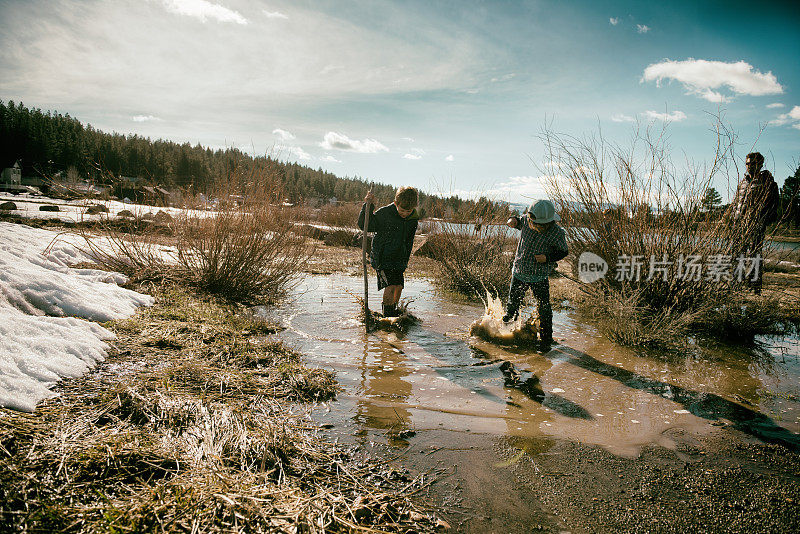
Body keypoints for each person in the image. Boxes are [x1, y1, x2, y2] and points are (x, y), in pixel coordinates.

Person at [503, 199, 568, 349]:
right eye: (535, 223)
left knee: (544, 308)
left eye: (541, 225)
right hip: (519, 272)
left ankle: (546, 342)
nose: (537, 226)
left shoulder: (557, 232)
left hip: (539, 276)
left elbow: (563, 251)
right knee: (512, 307)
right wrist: (512, 220)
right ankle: (505, 337)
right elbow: (517, 220)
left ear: (549, 222)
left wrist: (548, 258)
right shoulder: (526, 220)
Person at [358, 186, 420, 317]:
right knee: (390, 286)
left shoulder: (412, 219)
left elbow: (409, 241)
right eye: (402, 210)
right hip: (382, 258)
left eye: (408, 211)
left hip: (399, 258)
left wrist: (405, 260)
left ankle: (395, 312)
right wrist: (368, 205)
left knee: (398, 286)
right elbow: (365, 224)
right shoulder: (385, 213)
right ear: (396, 203)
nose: (405, 213)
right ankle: (387, 316)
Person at [734, 152, 779, 292]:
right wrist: (733, 219)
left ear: (760, 164)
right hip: (738, 225)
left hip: (755, 225)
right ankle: (737, 284)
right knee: (737, 254)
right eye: (747, 163)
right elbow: (736, 203)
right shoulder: (743, 182)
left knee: (754, 255)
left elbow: (773, 207)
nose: (748, 166)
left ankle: (755, 288)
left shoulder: (768, 182)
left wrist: (760, 221)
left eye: (752, 163)